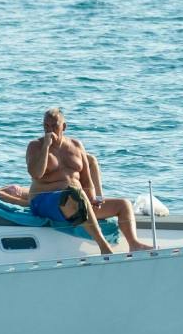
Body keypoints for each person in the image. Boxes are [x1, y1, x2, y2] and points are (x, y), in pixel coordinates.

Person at [24, 107, 150, 254]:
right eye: (46, 126)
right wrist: (46, 146)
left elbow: (86, 179)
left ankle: (134, 244)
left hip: (76, 202)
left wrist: (93, 199)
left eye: (54, 126)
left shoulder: (76, 146)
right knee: (76, 196)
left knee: (123, 204)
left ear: (64, 126)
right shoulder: (35, 146)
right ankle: (104, 247)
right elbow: (36, 174)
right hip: (43, 201)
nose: (49, 130)